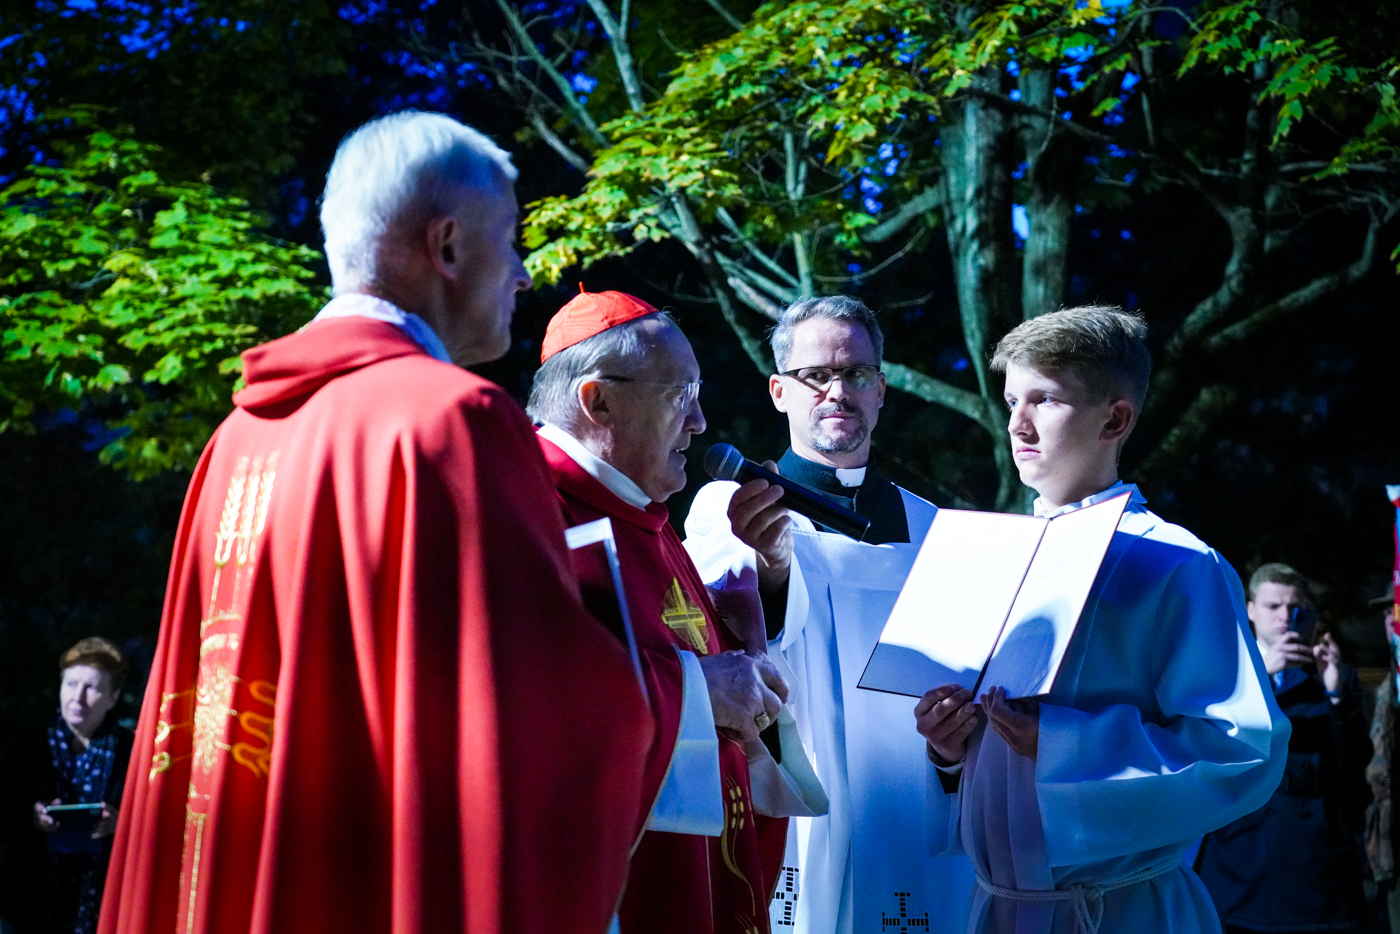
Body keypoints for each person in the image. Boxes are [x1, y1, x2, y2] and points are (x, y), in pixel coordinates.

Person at [96, 112, 653, 934]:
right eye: (510, 242)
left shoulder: (237, 435)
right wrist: (666, 682)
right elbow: (539, 716)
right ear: (448, 245)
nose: (523, 275)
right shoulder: (451, 421)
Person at [915, 306, 1289, 934]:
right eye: (1012, 401)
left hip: (1119, 910)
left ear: (1115, 419)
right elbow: (981, 769)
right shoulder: (992, 557)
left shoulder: (1175, 562)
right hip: (998, 906)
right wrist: (951, 752)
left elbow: (1243, 751)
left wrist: (1062, 742)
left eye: (1045, 400)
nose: (1018, 424)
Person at [684, 296, 969, 933]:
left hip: (916, 809)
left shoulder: (933, 529)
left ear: (881, 391)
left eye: (857, 374)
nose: (837, 391)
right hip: (800, 813)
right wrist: (773, 567)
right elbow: (727, 645)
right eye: (816, 375)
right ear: (779, 391)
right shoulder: (730, 508)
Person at [527, 288, 799, 934]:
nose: (701, 421)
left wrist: (746, 648)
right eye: (682, 395)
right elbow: (531, 700)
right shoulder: (533, 509)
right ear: (598, 401)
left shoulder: (642, 516)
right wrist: (700, 690)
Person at [1195, 564, 1371, 933]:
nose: (1284, 617)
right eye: (1273, 606)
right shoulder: (1228, 672)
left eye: (1295, 608)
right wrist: (1260, 676)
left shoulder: (1332, 674)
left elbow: (1356, 764)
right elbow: (1208, 748)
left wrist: (1335, 694)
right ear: (1250, 610)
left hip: (1317, 863)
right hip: (1241, 856)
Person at [0, 638, 134, 934]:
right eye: (71, 684)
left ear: (112, 698)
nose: (77, 698)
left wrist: (121, 824)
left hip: (102, 902)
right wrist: (31, 816)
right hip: (28, 901)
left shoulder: (133, 752)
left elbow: (157, 823)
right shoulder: (25, 746)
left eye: (92, 688)